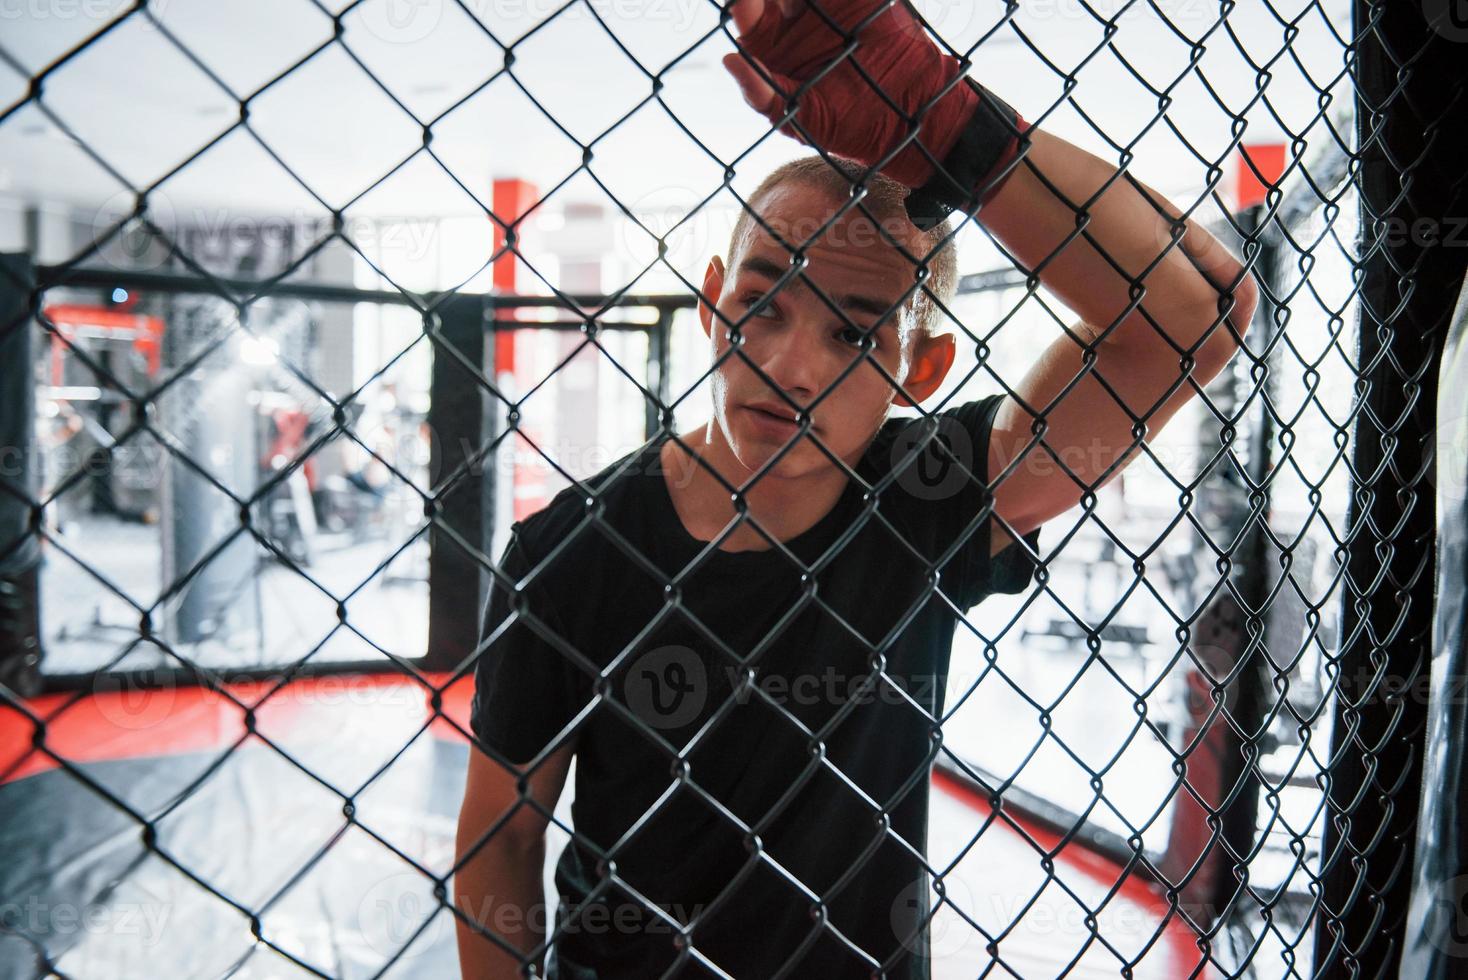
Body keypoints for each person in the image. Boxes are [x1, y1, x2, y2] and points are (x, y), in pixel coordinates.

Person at [454, 1, 1259, 977]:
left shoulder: (926, 497)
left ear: (919, 368)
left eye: (853, 332)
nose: (792, 365)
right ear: (714, 303)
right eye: (764, 305)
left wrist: (949, 126)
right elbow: (499, 840)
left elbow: (1190, 314)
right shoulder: (570, 547)